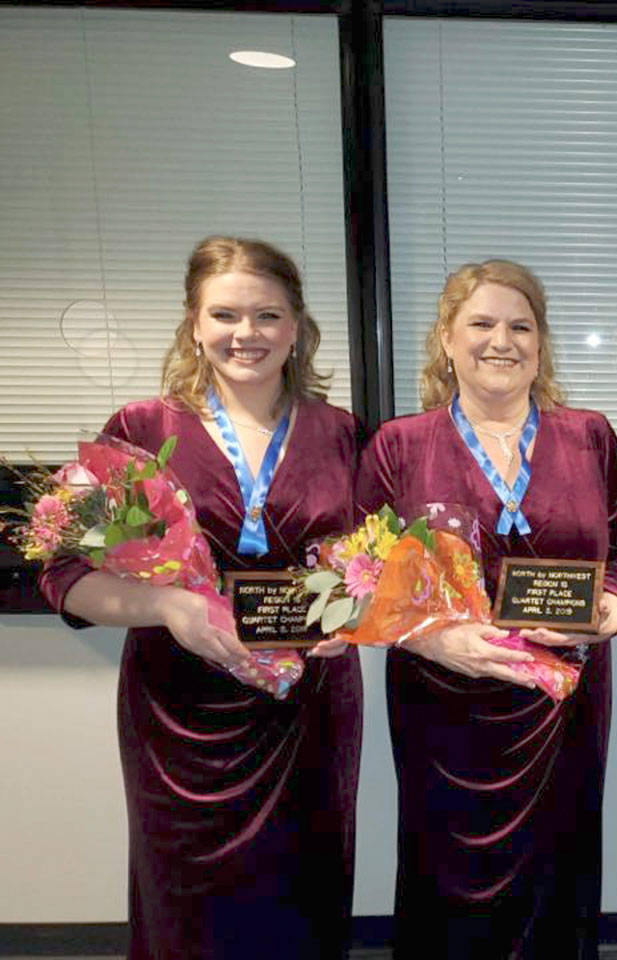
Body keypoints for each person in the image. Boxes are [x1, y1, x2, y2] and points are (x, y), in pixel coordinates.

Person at [38, 236, 362, 960]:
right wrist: (169, 608)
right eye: (226, 314)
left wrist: (359, 614)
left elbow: (373, 564)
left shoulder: (340, 432)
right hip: (181, 713)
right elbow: (64, 573)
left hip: (308, 708)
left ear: (298, 327)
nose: (246, 334)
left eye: (268, 315)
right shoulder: (140, 428)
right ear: (194, 323)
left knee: (304, 892)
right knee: (187, 900)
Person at [356, 259, 617, 959]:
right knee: (447, 872)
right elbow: (357, 574)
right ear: (447, 340)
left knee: (561, 863)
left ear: (540, 346)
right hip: (442, 703)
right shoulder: (400, 445)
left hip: (563, 703)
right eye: (480, 323)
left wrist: (609, 606)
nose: (500, 340)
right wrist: (429, 640)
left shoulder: (589, 437)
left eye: (520, 325)